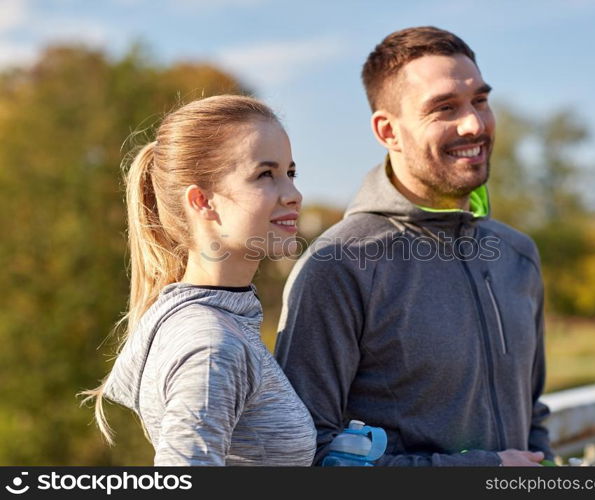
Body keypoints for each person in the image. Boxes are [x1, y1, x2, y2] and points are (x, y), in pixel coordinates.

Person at [275, 26, 553, 466]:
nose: (475, 124)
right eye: (444, 108)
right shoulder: (339, 266)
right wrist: (488, 470)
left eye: (480, 100)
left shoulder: (517, 255)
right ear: (388, 131)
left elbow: (532, 413)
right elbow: (307, 454)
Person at [82, 95, 316, 466]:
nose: (293, 194)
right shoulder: (211, 345)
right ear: (202, 201)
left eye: (290, 173)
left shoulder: (219, 323)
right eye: (265, 175)